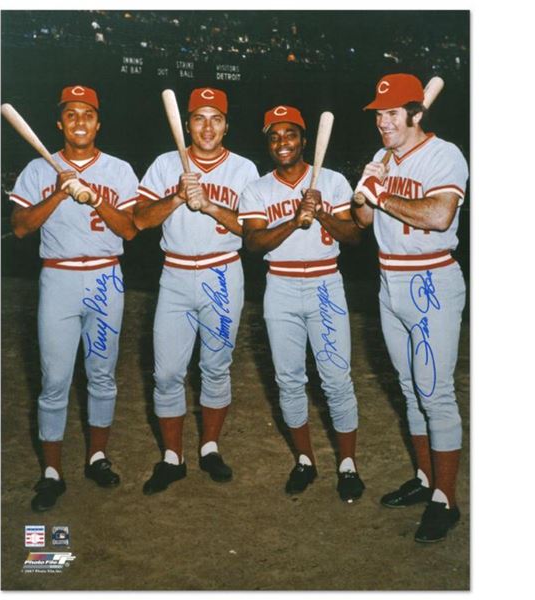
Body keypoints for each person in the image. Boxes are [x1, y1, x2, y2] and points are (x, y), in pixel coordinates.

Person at [9, 85, 140, 511]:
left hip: (105, 279)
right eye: (71, 115)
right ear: (59, 123)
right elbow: (23, 227)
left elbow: (129, 230)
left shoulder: (119, 170)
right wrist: (60, 190)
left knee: (101, 375)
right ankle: (51, 471)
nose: (79, 121)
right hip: (60, 280)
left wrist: (95, 196)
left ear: (98, 123)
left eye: (87, 114)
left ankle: (97, 457)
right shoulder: (37, 169)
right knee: (54, 380)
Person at [352, 73, 468, 542]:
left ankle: (447, 500)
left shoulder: (446, 155)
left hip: (431, 281)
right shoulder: (384, 158)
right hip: (389, 279)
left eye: (393, 113)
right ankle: (425, 480)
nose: (383, 122)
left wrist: (383, 195)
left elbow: (439, 215)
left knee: (435, 391)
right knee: (408, 386)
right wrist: (365, 187)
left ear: (416, 115)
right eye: (378, 114)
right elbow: (362, 220)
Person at [132, 87, 259, 494]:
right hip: (175, 273)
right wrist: (174, 196)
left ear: (226, 125)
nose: (208, 127)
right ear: (187, 124)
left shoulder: (243, 169)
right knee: (167, 370)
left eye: (216, 119)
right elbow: (139, 221)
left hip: (223, 273)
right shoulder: (166, 163)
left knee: (216, 366)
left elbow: (253, 230)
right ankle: (173, 458)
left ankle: (209, 448)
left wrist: (209, 205)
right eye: (200, 118)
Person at [239, 105, 364, 502]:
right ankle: (305, 460)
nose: (282, 143)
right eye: (274, 137)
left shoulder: (332, 180)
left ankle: (347, 465)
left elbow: (355, 237)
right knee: (289, 379)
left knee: (336, 378)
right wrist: (294, 220)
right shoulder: (257, 189)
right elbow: (254, 243)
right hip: (281, 286)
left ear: (303, 139)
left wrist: (322, 211)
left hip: (326, 284)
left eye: (290, 134)